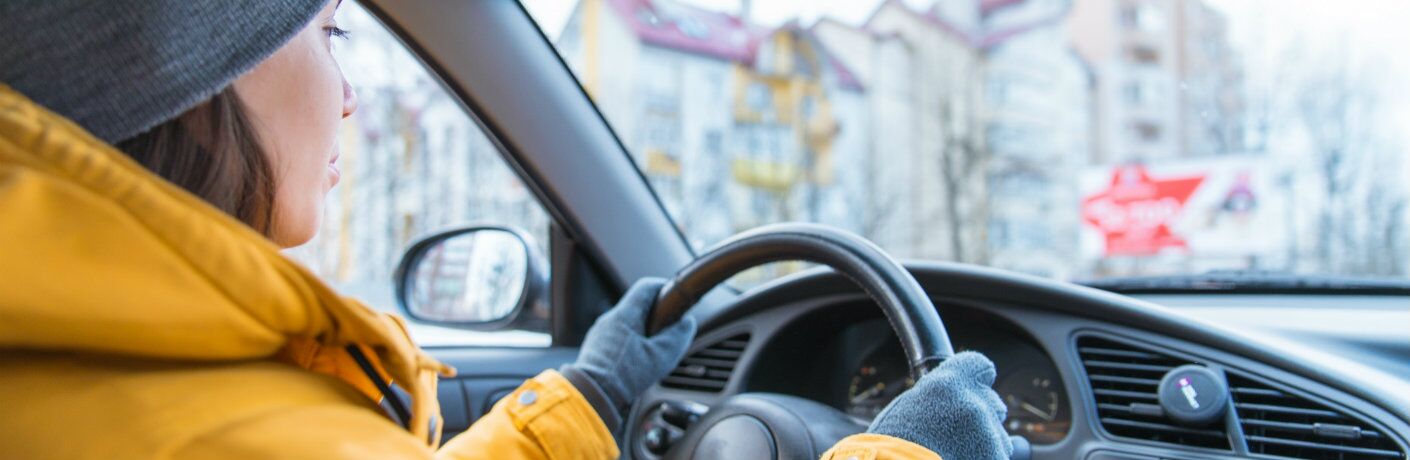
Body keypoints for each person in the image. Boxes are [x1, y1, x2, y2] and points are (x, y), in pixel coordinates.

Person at [0, 1, 1011, 458]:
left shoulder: (103, 382)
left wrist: (590, 394)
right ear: (186, 74)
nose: (349, 95)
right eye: (329, 33)